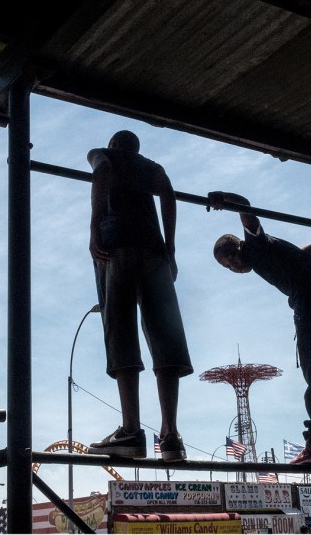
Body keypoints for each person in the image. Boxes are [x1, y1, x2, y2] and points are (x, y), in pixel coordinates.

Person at [208, 191, 311, 466]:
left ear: (239, 245)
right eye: (228, 267)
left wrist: (223, 199)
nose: (235, 266)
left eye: (232, 257)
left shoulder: (257, 246)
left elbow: (244, 205)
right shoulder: (276, 254)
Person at [86, 130, 193, 462]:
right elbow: (169, 194)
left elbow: (101, 172)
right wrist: (171, 247)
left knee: (120, 330)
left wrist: (95, 226)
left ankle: (131, 429)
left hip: (115, 244)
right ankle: (171, 435)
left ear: (114, 144)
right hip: (155, 251)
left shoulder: (103, 152)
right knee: (166, 335)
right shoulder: (151, 166)